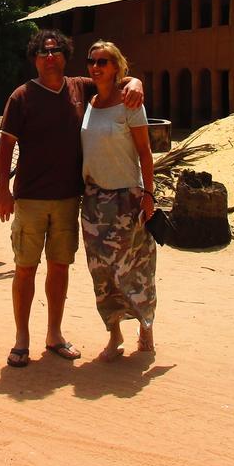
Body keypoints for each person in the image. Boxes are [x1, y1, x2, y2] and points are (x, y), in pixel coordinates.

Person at [0, 29, 142, 368]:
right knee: (25, 269)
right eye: (43, 52)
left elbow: (116, 78)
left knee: (59, 267)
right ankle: (21, 339)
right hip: (30, 199)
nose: (50, 57)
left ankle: (54, 335)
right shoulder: (22, 97)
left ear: (65, 55)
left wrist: (137, 84)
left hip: (68, 199)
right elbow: (5, 146)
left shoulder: (80, 88)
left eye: (56, 51)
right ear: (34, 58)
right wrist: (3, 191)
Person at [80, 41, 157, 360]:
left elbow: (145, 152)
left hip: (127, 198)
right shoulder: (90, 100)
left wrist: (149, 194)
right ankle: (114, 334)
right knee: (102, 272)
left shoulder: (130, 102)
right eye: (92, 61)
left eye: (104, 61)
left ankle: (146, 326)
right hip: (94, 202)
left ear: (116, 67)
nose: (96, 66)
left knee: (135, 268)